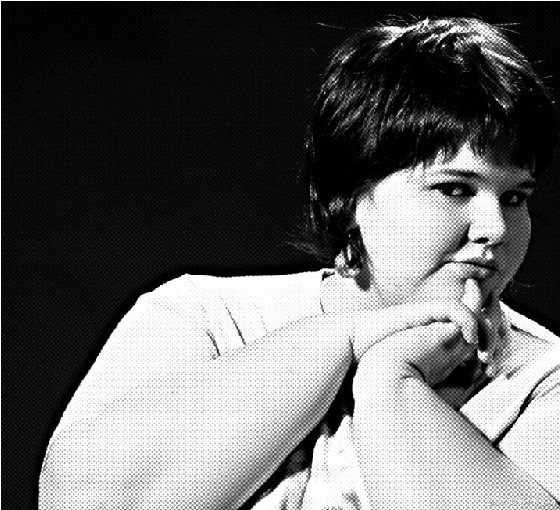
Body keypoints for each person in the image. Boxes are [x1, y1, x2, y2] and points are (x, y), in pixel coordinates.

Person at [39, 17, 559, 509]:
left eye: (515, 197)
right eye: (454, 189)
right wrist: (347, 340)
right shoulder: (206, 318)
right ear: (351, 196)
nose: (495, 227)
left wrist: (392, 378)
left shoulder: (544, 378)